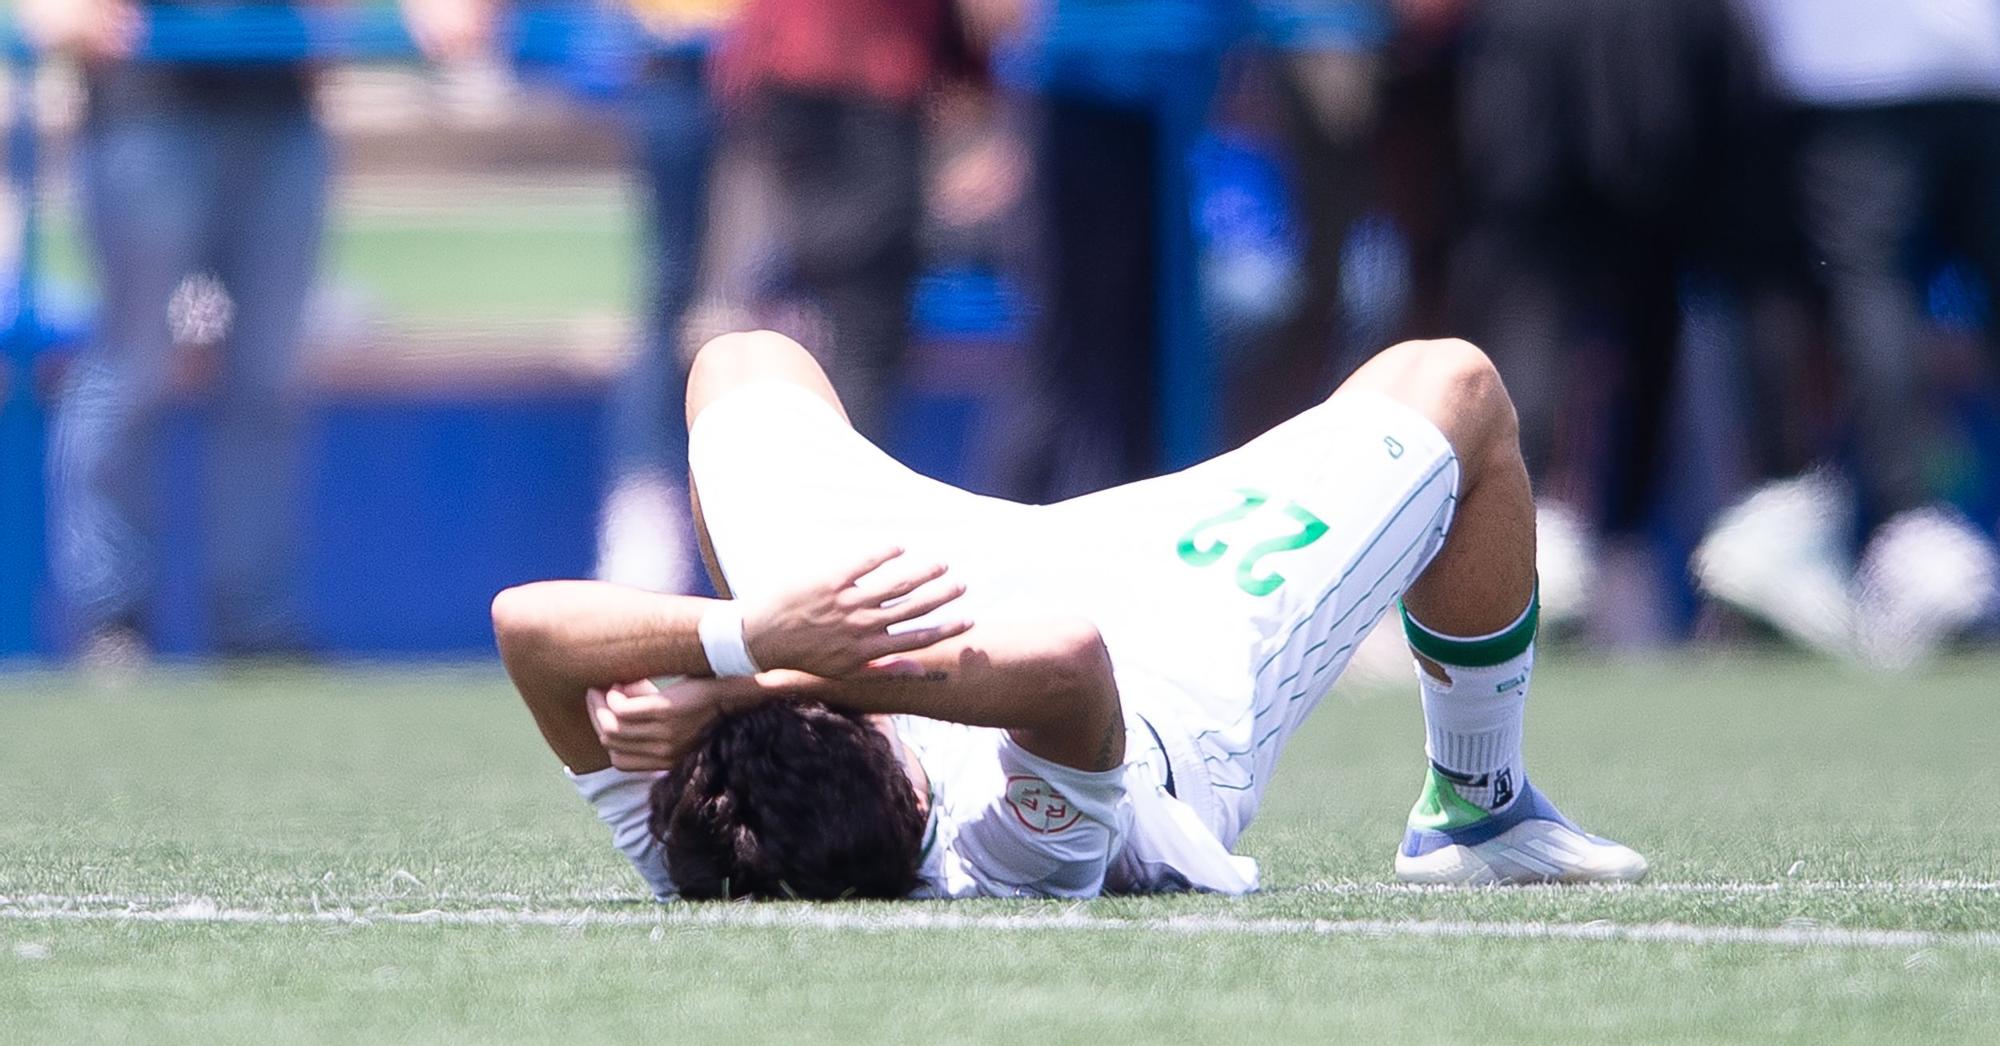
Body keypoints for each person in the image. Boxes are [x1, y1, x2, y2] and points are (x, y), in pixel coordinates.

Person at [491, 330, 1647, 899]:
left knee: (741, 365)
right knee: (1453, 387)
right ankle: (1474, 804)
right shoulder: (998, 862)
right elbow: (1063, 661)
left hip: (887, 595)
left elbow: (525, 623)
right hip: (1157, 641)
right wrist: (766, 670)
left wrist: (757, 637)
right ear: (904, 777)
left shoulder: (695, 840)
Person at [24, 0, 484, 661]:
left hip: (279, 108)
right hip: (144, 104)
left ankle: (256, 623)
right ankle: (111, 621)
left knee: (268, 380)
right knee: (131, 371)